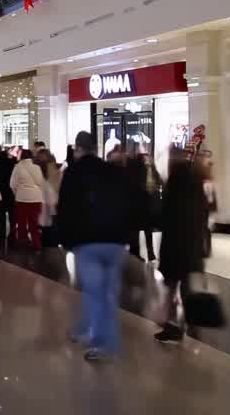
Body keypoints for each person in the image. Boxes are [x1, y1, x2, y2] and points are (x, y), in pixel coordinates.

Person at [58, 131, 141, 362]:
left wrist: (66, 240)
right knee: (107, 293)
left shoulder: (74, 172)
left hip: (89, 241)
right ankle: (85, 329)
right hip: (114, 240)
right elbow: (128, 199)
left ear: (78, 148)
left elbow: (65, 207)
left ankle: (105, 345)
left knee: (94, 292)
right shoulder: (109, 170)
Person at [155, 155, 212, 344]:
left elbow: (163, 219)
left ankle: (172, 326)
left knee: (171, 287)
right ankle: (191, 323)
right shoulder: (198, 192)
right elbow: (204, 219)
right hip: (192, 249)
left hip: (174, 249)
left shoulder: (173, 192)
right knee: (188, 286)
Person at [10, 149, 45, 249]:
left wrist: (18, 193)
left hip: (21, 198)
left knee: (21, 222)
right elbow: (41, 183)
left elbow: (12, 184)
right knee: (34, 222)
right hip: (36, 198)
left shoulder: (18, 167)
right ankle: (37, 243)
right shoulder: (37, 167)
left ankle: (22, 243)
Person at [0, 144, 16, 240]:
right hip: (10, 192)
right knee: (12, 214)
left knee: (1, 214)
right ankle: (13, 233)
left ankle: (2, 232)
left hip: (0, 192)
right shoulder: (12, 164)